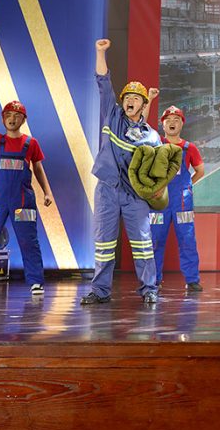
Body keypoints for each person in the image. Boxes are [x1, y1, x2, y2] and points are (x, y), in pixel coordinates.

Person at [83, 38, 162, 305]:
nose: (130, 100)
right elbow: (103, 81)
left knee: (143, 244)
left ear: (142, 105)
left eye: (135, 98)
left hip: (135, 196)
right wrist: (100, 52)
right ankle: (100, 291)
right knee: (104, 244)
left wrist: (157, 188)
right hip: (107, 190)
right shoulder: (111, 114)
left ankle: (149, 289)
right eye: (127, 97)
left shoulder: (152, 137)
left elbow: (157, 171)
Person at [0, 88, 52, 296]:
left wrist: (47, 192)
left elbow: (38, 168)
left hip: (22, 202)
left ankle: (36, 282)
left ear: (23, 120)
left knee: (28, 240)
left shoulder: (31, 143)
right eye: (8, 115)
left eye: (17, 115)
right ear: (3, 118)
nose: (12, 119)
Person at [150, 106, 205, 292]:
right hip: (159, 201)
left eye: (176, 119)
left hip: (182, 202)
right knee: (155, 240)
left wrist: (187, 186)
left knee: (187, 239)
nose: (172, 123)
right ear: (162, 124)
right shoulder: (155, 143)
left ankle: (192, 280)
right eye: (168, 120)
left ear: (182, 124)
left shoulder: (190, 148)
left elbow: (200, 171)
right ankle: (153, 280)